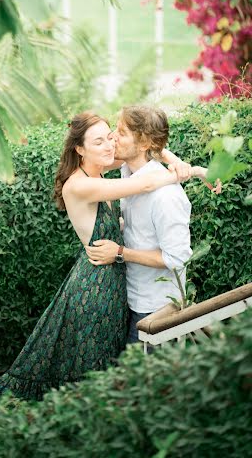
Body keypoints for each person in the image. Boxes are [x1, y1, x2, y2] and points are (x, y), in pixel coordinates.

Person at [0, 111, 210, 401]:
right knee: (93, 371)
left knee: (109, 370)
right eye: (100, 140)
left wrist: (178, 162)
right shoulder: (80, 184)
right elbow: (145, 183)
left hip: (115, 286)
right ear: (79, 148)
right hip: (95, 289)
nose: (110, 143)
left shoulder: (101, 166)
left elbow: (144, 149)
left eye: (112, 135)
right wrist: (190, 171)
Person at [86, 105, 221, 344]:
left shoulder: (166, 196)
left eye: (122, 132)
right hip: (131, 297)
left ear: (144, 143)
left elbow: (175, 259)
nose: (113, 137)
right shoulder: (128, 170)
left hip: (156, 309)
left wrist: (119, 253)